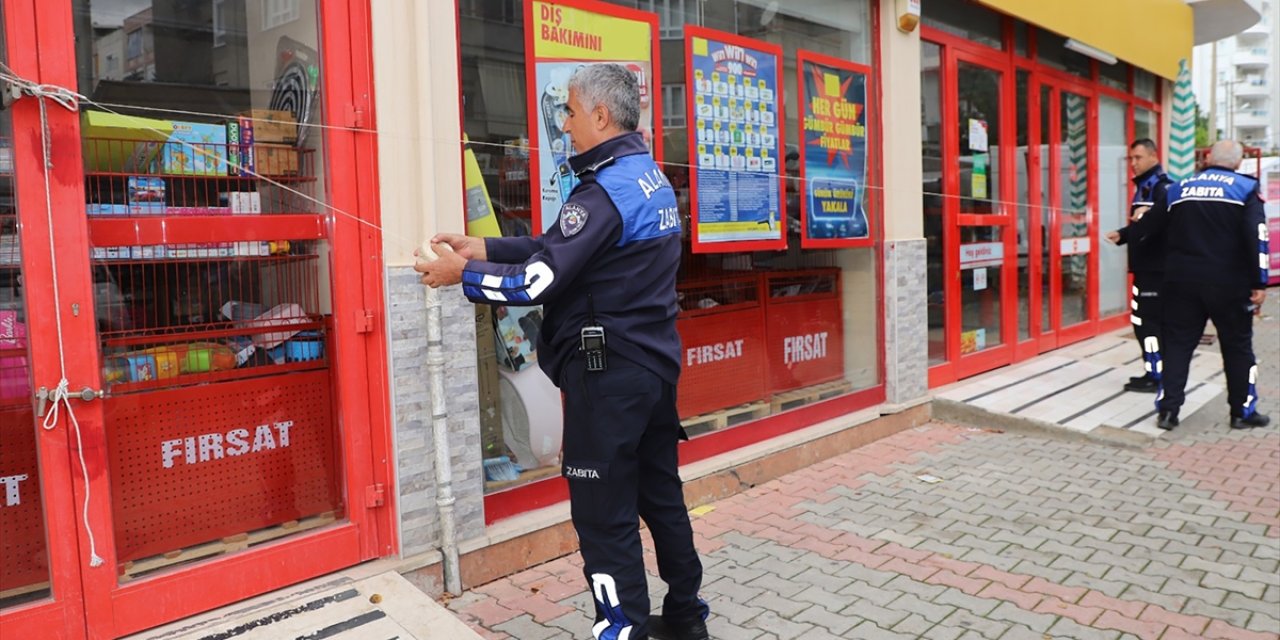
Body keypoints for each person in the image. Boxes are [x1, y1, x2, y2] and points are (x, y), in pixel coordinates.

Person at [415, 63, 710, 640]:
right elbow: (565, 247)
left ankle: (620, 631)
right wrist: (485, 244)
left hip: (608, 379)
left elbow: (535, 282)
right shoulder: (643, 175)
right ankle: (686, 619)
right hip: (652, 371)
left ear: (601, 115)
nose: (566, 124)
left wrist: (463, 274)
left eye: (571, 112)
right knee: (661, 498)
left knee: (604, 517)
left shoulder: (605, 189)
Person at [1108, 140, 1269, 430]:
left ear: (1208, 158)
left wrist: (1124, 233)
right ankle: (1242, 412)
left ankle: (1168, 412)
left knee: (1178, 346)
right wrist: (1260, 281)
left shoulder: (1180, 188)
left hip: (1181, 283)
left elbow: (1150, 224)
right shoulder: (1244, 189)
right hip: (1229, 284)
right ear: (1238, 162)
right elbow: (1256, 236)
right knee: (1238, 348)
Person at [1106, 139, 1174, 393]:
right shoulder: (1145, 187)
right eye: (1131, 159)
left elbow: (1167, 222)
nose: (1133, 164)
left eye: (1138, 158)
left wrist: (1150, 211)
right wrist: (1123, 234)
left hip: (1156, 271)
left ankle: (1157, 376)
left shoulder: (1163, 187)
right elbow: (1144, 226)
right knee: (1143, 322)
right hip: (1146, 269)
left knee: (1149, 323)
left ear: (1154, 157)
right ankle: (1153, 372)